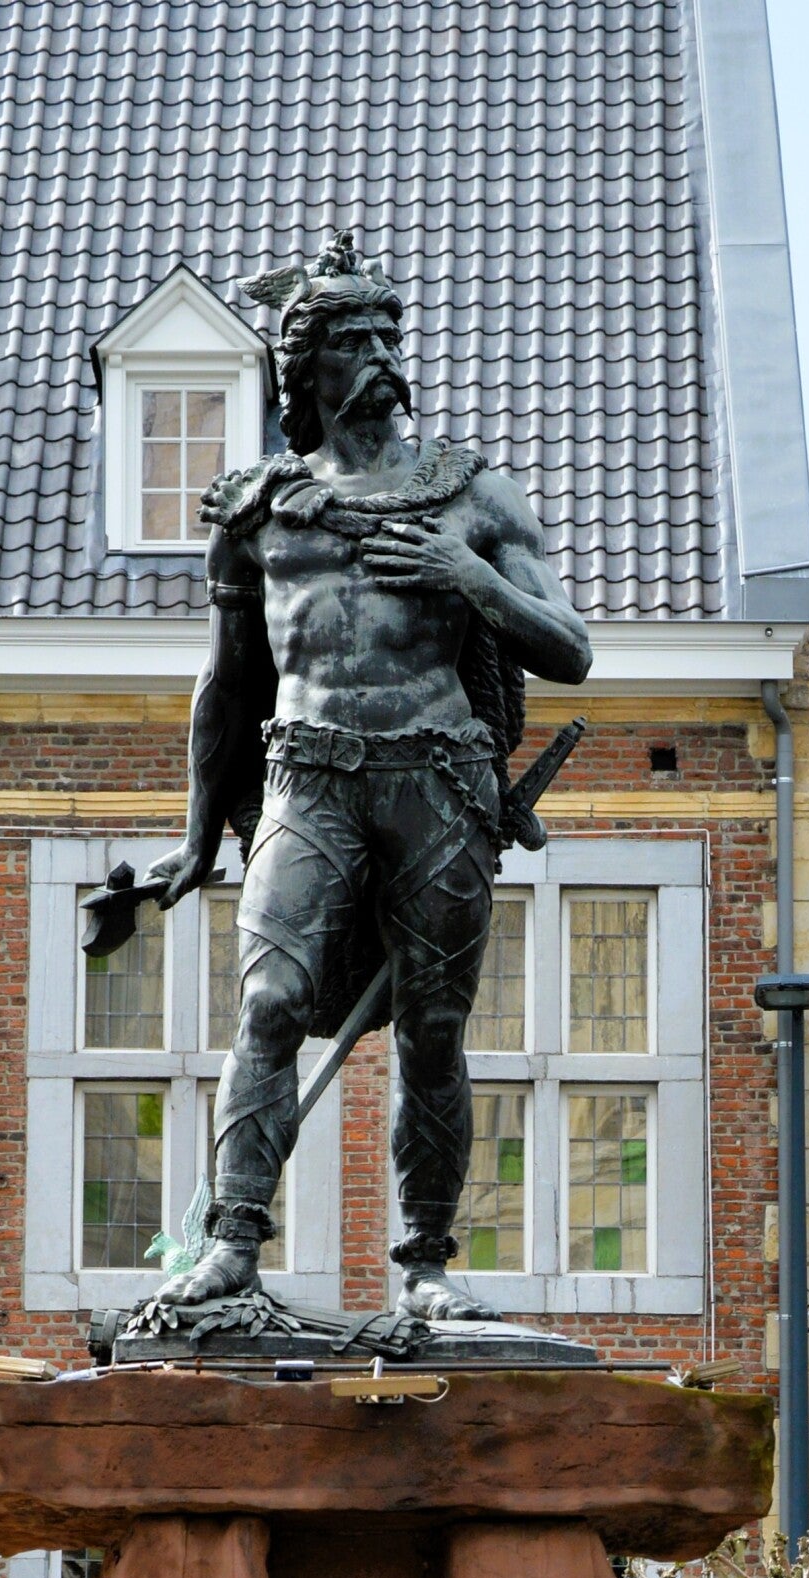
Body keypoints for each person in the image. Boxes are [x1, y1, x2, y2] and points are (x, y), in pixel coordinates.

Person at [143, 235, 592, 1319]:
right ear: (308, 372)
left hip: (438, 782)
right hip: (307, 779)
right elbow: (228, 685)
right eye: (354, 340)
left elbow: (570, 649)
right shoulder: (257, 511)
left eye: (391, 336)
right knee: (268, 1002)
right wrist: (199, 834)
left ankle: (426, 1264)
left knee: (434, 1028)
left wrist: (466, 575)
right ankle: (232, 1247)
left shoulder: (472, 498)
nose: (383, 357)